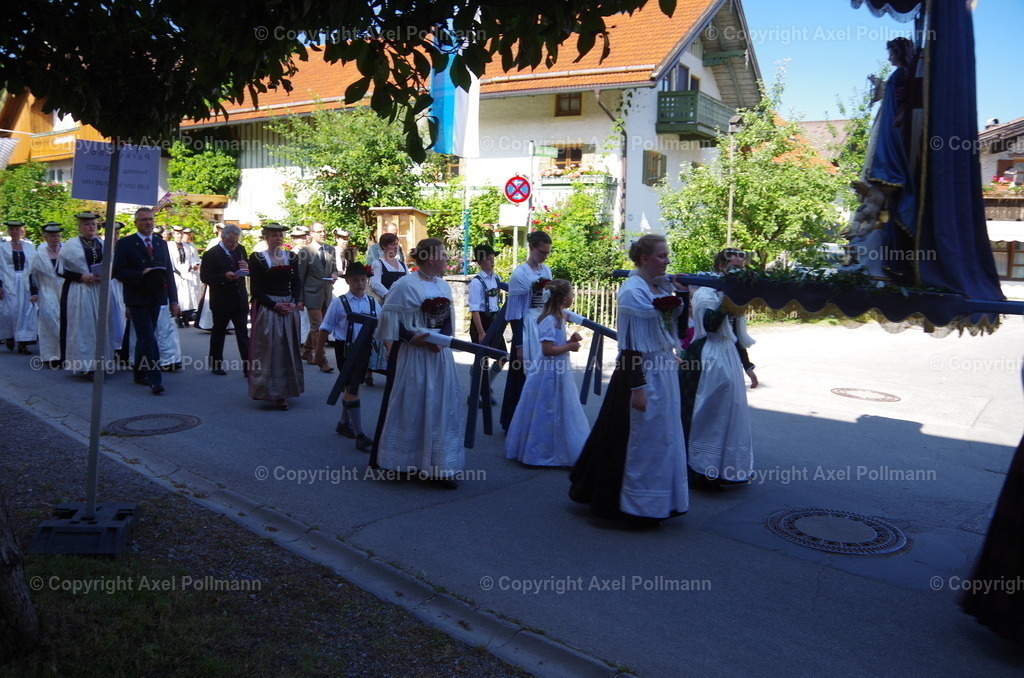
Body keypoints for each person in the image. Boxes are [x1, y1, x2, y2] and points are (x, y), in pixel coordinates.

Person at [570, 234, 689, 525]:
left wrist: (683, 295)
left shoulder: (659, 286)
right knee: (638, 438)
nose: (667, 260)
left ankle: (657, 500)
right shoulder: (632, 292)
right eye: (662, 256)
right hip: (642, 373)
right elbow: (631, 345)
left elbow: (678, 330)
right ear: (645, 258)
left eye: (667, 255)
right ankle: (630, 504)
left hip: (663, 369)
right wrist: (638, 387)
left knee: (662, 438)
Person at [370, 238, 465, 489]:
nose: (447, 258)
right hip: (414, 356)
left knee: (440, 405)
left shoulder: (444, 286)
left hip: (438, 355)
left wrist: (442, 340)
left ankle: (439, 465)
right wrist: (415, 338)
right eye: (444, 254)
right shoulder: (405, 284)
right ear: (431, 257)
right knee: (413, 404)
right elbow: (389, 319)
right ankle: (404, 462)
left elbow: (447, 320)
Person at [681, 248, 755, 486]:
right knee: (706, 411)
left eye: (741, 269)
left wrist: (748, 365)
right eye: (734, 268)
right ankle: (699, 467)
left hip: (728, 356)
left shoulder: (731, 294)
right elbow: (711, 325)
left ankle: (725, 465)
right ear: (721, 267)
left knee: (730, 410)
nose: (738, 272)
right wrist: (729, 298)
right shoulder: (706, 293)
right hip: (707, 357)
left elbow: (734, 333)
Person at [504, 279, 589, 467]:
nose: (574, 296)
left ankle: (556, 448)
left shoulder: (558, 317)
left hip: (558, 369)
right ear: (564, 298)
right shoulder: (549, 320)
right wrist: (570, 346)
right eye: (572, 293)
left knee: (559, 406)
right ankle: (540, 452)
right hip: (549, 371)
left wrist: (568, 340)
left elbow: (555, 344)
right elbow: (547, 350)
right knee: (547, 406)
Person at [112, 208, 180, 395]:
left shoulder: (160, 244)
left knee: (145, 337)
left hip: (156, 297)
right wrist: (140, 275)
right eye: (143, 220)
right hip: (136, 297)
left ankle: (139, 372)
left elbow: (168, 274)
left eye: (150, 219)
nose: (148, 223)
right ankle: (155, 379)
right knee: (148, 337)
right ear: (136, 223)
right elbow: (117, 271)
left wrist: (173, 300)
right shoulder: (126, 244)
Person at [315, 262, 377, 452]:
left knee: (352, 387)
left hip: (364, 350)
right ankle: (359, 435)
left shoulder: (372, 303)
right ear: (348, 281)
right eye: (356, 280)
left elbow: (382, 327)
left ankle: (343, 422)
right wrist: (319, 352)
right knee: (353, 388)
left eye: (363, 280)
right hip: (345, 350)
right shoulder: (339, 302)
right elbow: (325, 328)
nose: (360, 283)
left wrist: (390, 349)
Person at [500, 230, 552, 432]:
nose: (544, 256)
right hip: (526, 326)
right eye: (541, 252)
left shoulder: (546, 270)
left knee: (541, 373)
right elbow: (515, 313)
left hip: (542, 323)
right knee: (519, 373)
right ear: (531, 248)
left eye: (547, 252)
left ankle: (537, 419)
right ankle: (513, 421)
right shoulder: (520, 274)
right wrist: (519, 343)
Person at [248, 222, 304, 410]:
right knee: (269, 350)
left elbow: (297, 284)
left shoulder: (292, 257)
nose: (278, 238)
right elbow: (255, 289)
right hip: (269, 308)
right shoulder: (257, 258)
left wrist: (294, 302)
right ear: (266, 237)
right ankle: (268, 390)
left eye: (280, 235)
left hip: (288, 307)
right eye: (273, 235)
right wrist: (274, 305)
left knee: (288, 349)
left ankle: (285, 390)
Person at [57, 211, 119, 378]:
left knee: (101, 325)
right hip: (80, 290)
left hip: (99, 290)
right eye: (86, 224)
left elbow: (111, 265)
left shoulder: (102, 243)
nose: (90, 227)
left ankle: (101, 362)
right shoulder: (70, 245)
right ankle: (86, 364)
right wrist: (81, 276)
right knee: (84, 327)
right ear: (79, 227)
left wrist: (103, 275)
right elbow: (61, 271)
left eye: (93, 224)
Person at [199, 223, 250, 377]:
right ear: (222, 238)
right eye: (230, 242)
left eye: (236, 241)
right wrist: (223, 277)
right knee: (219, 332)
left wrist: (246, 267)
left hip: (239, 299)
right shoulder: (211, 254)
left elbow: (248, 270)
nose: (233, 245)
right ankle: (216, 364)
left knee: (242, 334)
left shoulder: (240, 249)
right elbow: (205, 277)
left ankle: (248, 367)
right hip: (221, 300)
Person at [297, 221, 338, 372]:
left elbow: (334, 269)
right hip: (311, 294)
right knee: (319, 327)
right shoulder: (305, 252)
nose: (323, 234)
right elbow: (300, 277)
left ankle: (307, 351)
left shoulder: (330, 250)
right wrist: (300, 299)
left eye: (324, 231)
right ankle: (322, 360)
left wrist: (334, 275)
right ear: (312, 234)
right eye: (319, 231)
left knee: (317, 325)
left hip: (326, 293)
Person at [0, 220, 38, 354]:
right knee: (9, 311)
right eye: (12, 229)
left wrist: (34, 288)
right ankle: (9, 335)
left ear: (22, 231)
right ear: (9, 231)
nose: (15, 232)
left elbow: (33, 268)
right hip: (9, 281)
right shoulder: (3, 247)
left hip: (25, 281)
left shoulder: (29, 246)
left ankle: (23, 342)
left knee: (25, 312)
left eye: (17, 229)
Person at [29, 222, 63, 367]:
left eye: (57, 236)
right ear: (46, 237)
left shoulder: (65, 252)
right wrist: (34, 293)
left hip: (64, 288)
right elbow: (32, 275)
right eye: (52, 236)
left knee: (65, 321)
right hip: (47, 290)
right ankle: (51, 355)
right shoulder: (39, 255)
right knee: (50, 319)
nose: (55, 239)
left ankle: (64, 354)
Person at [171, 226, 200, 326]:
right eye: (177, 233)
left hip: (187, 273)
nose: (180, 235)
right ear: (173, 234)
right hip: (176, 274)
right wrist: (177, 271)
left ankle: (185, 316)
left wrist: (192, 266)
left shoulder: (187, 246)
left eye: (181, 233)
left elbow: (191, 259)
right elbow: (170, 261)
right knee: (179, 296)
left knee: (188, 296)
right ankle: (178, 316)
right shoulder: (169, 246)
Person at [369, 232, 407, 301]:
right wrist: (390, 296)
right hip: (387, 303)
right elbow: (375, 284)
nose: (396, 247)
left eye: (397, 244)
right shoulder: (378, 263)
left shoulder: (403, 265)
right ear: (384, 246)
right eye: (392, 244)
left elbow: (409, 282)